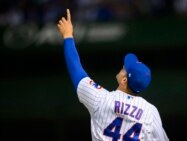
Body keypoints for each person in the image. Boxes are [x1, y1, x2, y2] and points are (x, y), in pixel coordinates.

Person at [57, 9, 169, 141]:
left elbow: (76, 70)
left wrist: (68, 35)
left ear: (124, 80)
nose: (123, 67)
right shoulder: (150, 112)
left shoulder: (101, 99)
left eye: (125, 68)